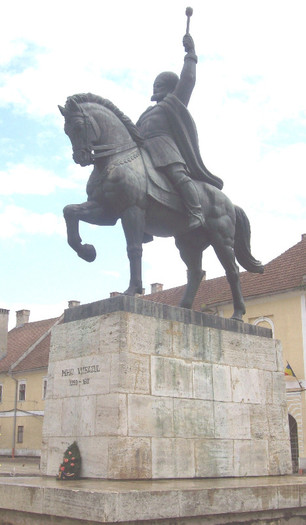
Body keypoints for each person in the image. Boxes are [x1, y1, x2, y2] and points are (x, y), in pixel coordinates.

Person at [137, 33, 223, 230]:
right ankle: (143, 227)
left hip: (165, 150)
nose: (154, 87)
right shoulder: (146, 113)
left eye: (158, 85)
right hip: (143, 153)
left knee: (178, 176)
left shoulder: (174, 102)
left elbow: (188, 79)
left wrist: (190, 54)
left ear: (169, 87)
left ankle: (196, 211)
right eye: (154, 85)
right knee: (132, 180)